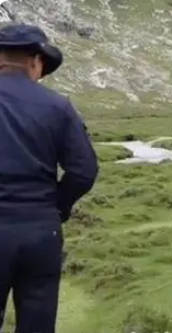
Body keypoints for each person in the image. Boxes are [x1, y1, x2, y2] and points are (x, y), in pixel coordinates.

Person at [0, 24, 98, 332]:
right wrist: (55, 206)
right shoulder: (58, 106)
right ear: (35, 61)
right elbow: (84, 171)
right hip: (41, 233)